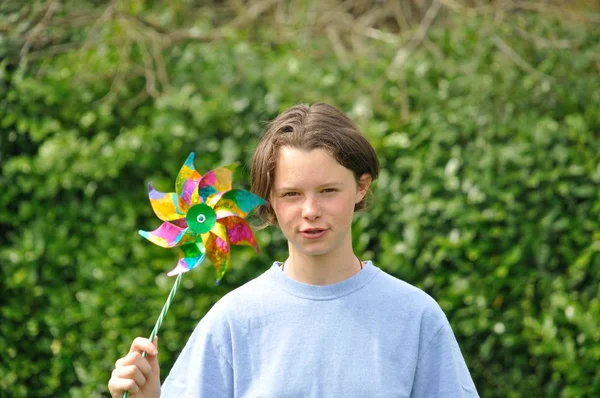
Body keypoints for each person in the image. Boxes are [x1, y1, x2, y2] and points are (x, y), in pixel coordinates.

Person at [108, 103, 479, 397]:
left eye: (328, 190)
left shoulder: (415, 317)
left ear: (361, 187)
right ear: (268, 200)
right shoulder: (233, 322)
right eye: (291, 194)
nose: (310, 211)